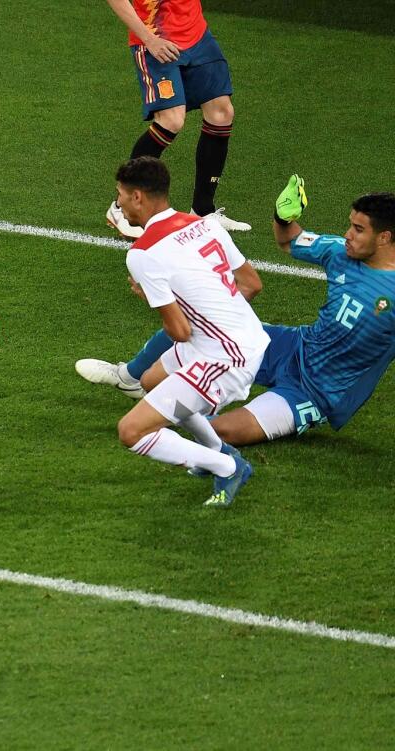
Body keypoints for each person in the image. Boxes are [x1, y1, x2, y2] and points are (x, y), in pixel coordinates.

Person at [79, 180, 395, 446]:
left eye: (358, 229)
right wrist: (282, 217)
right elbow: (290, 240)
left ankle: (187, 418)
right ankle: (129, 376)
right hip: (290, 346)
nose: (348, 235)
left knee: (221, 432)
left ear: (384, 238)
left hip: (316, 391)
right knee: (192, 333)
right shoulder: (339, 252)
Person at [109, 157, 268, 508]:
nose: (118, 203)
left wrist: (151, 297)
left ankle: (227, 466)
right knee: (152, 380)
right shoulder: (206, 224)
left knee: (131, 431)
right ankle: (217, 448)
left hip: (225, 357)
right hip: (244, 336)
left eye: (120, 195)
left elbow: (179, 331)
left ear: (137, 197)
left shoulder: (143, 253)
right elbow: (252, 284)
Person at [104, 0, 250, 238]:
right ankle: (121, 206)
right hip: (155, 37)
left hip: (196, 35)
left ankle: (202, 211)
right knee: (171, 119)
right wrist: (149, 40)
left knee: (222, 113)